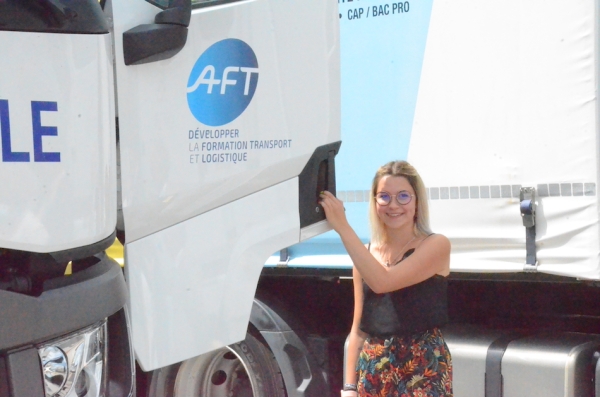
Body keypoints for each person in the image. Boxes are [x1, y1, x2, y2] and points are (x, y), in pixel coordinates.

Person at [319, 160, 452, 397]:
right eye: (384, 196)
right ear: (375, 202)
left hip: (422, 368)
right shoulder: (366, 257)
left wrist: (342, 226)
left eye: (403, 196)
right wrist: (349, 388)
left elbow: (384, 282)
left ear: (417, 201)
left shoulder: (436, 245)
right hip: (374, 366)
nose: (393, 205)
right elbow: (359, 330)